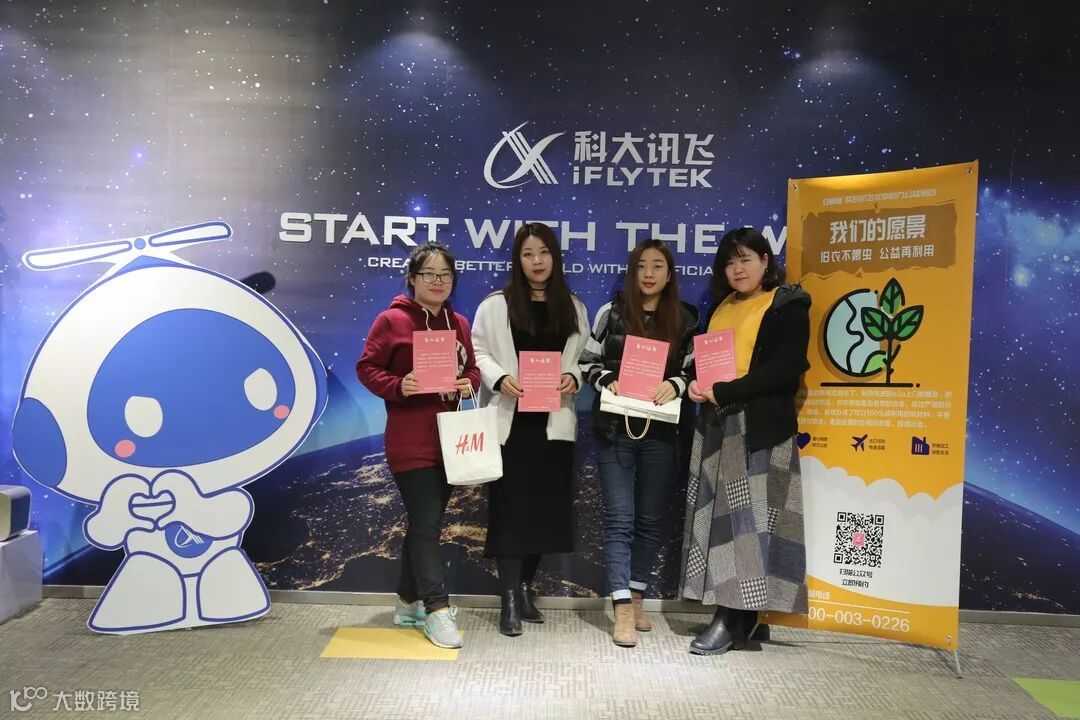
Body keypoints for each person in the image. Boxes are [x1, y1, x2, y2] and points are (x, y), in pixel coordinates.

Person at [680, 226, 811, 655]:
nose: (737, 269)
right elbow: (709, 362)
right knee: (724, 524)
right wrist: (698, 384)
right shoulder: (722, 307)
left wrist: (725, 391)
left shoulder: (787, 304)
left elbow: (786, 370)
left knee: (747, 527)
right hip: (718, 424)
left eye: (746, 259)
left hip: (758, 430)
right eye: (730, 262)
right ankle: (747, 618)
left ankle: (730, 617)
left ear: (765, 261)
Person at [356, 242, 480, 649]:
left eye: (445, 275)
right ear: (412, 278)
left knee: (425, 523)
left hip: (452, 441)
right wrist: (399, 385)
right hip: (410, 440)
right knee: (427, 525)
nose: (438, 281)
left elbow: (473, 369)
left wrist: (467, 383)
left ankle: (408, 603)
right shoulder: (391, 320)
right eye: (429, 274)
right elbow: (366, 367)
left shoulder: (459, 323)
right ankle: (437, 609)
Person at [471, 222, 590, 637]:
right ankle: (507, 598)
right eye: (527, 254)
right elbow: (478, 352)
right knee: (509, 512)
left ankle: (524, 587)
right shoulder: (496, 305)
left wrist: (574, 377)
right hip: (511, 426)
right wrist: (500, 377)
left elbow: (583, 357)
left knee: (543, 512)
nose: (536, 261)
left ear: (555, 258)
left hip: (553, 425)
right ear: (517, 260)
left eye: (544, 253)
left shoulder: (573, 306)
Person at [579, 239, 698, 647]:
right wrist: (605, 379)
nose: (649, 273)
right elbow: (587, 361)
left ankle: (637, 596)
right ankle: (621, 609)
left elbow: (695, 369)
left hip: (661, 433)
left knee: (649, 521)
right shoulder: (610, 312)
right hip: (615, 430)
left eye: (657, 266)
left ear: (669, 273)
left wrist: (676, 383)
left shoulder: (686, 318)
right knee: (619, 520)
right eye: (641, 266)